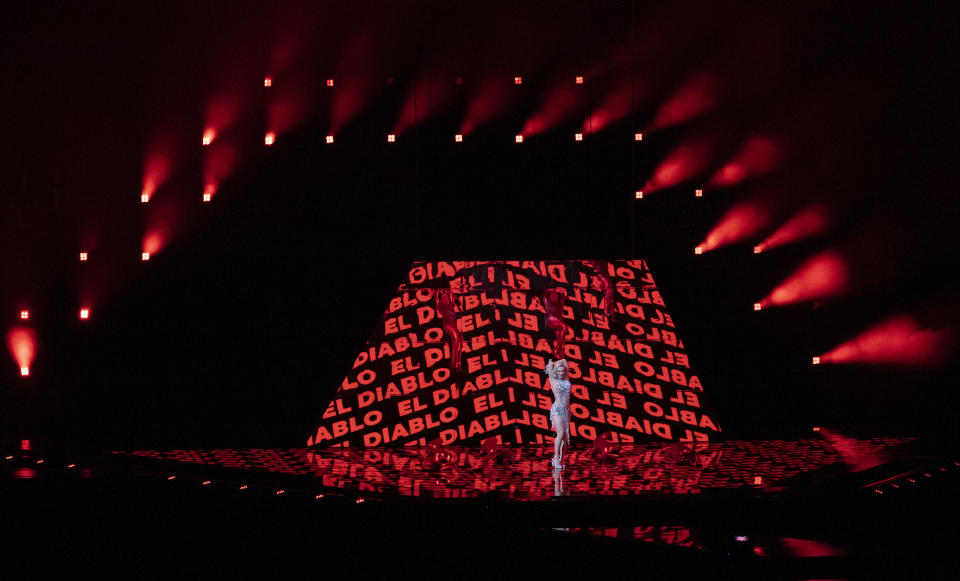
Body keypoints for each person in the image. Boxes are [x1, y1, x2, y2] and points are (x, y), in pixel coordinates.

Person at [544, 358, 571, 469]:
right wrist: (554, 364)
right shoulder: (553, 380)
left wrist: (559, 363)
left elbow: (564, 360)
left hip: (566, 411)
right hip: (556, 410)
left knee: (564, 437)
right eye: (559, 371)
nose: (561, 372)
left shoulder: (567, 379)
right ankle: (555, 459)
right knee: (560, 433)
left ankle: (561, 459)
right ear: (556, 372)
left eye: (563, 371)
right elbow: (550, 366)